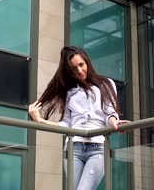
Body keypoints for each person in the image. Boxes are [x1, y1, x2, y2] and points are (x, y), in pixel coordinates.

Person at [28, 46, 129, 190]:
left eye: (81, 65)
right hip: (73, 147)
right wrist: (39, 121)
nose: (80, 71)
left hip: (97, 147)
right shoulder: (69, 92)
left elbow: (110, 112)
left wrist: (114, 122)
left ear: (87, 62)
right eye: (74, 69)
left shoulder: (106, 84)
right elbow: (67, 124)